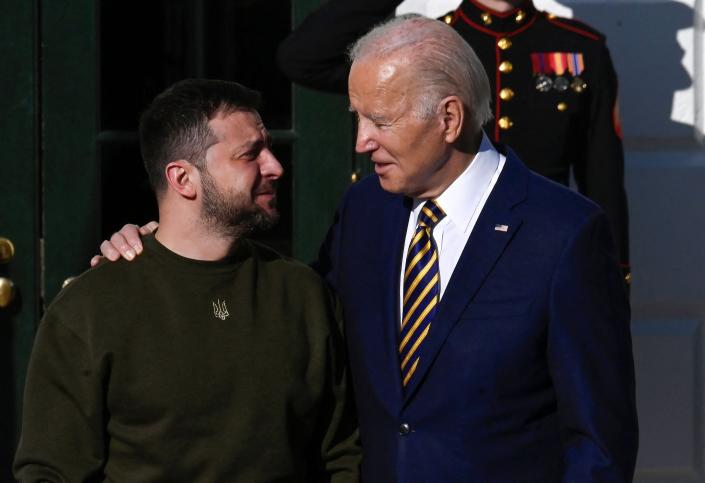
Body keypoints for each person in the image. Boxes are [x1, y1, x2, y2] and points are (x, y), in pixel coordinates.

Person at [96, 17, 638, 482]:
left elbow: (598, 442)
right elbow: (297, 326)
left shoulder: (563, 233)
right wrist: (163, 253)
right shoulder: (366, 209)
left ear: (449, 118)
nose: (361, 141)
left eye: (380, 120)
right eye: (357, 117)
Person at [14, 79, 360, 482]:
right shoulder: (90, 309)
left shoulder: (303, 295)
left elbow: (341, 452)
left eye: (270, 148)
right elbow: (50, 471)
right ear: (183, 179)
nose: (275, 167)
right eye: (251, 154)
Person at [276, 0, 632, 287]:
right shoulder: (430, 45)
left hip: (538, 254)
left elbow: (602, 179)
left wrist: (612, 279)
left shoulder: (579, 49)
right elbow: (302, 57)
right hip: (437, 246)